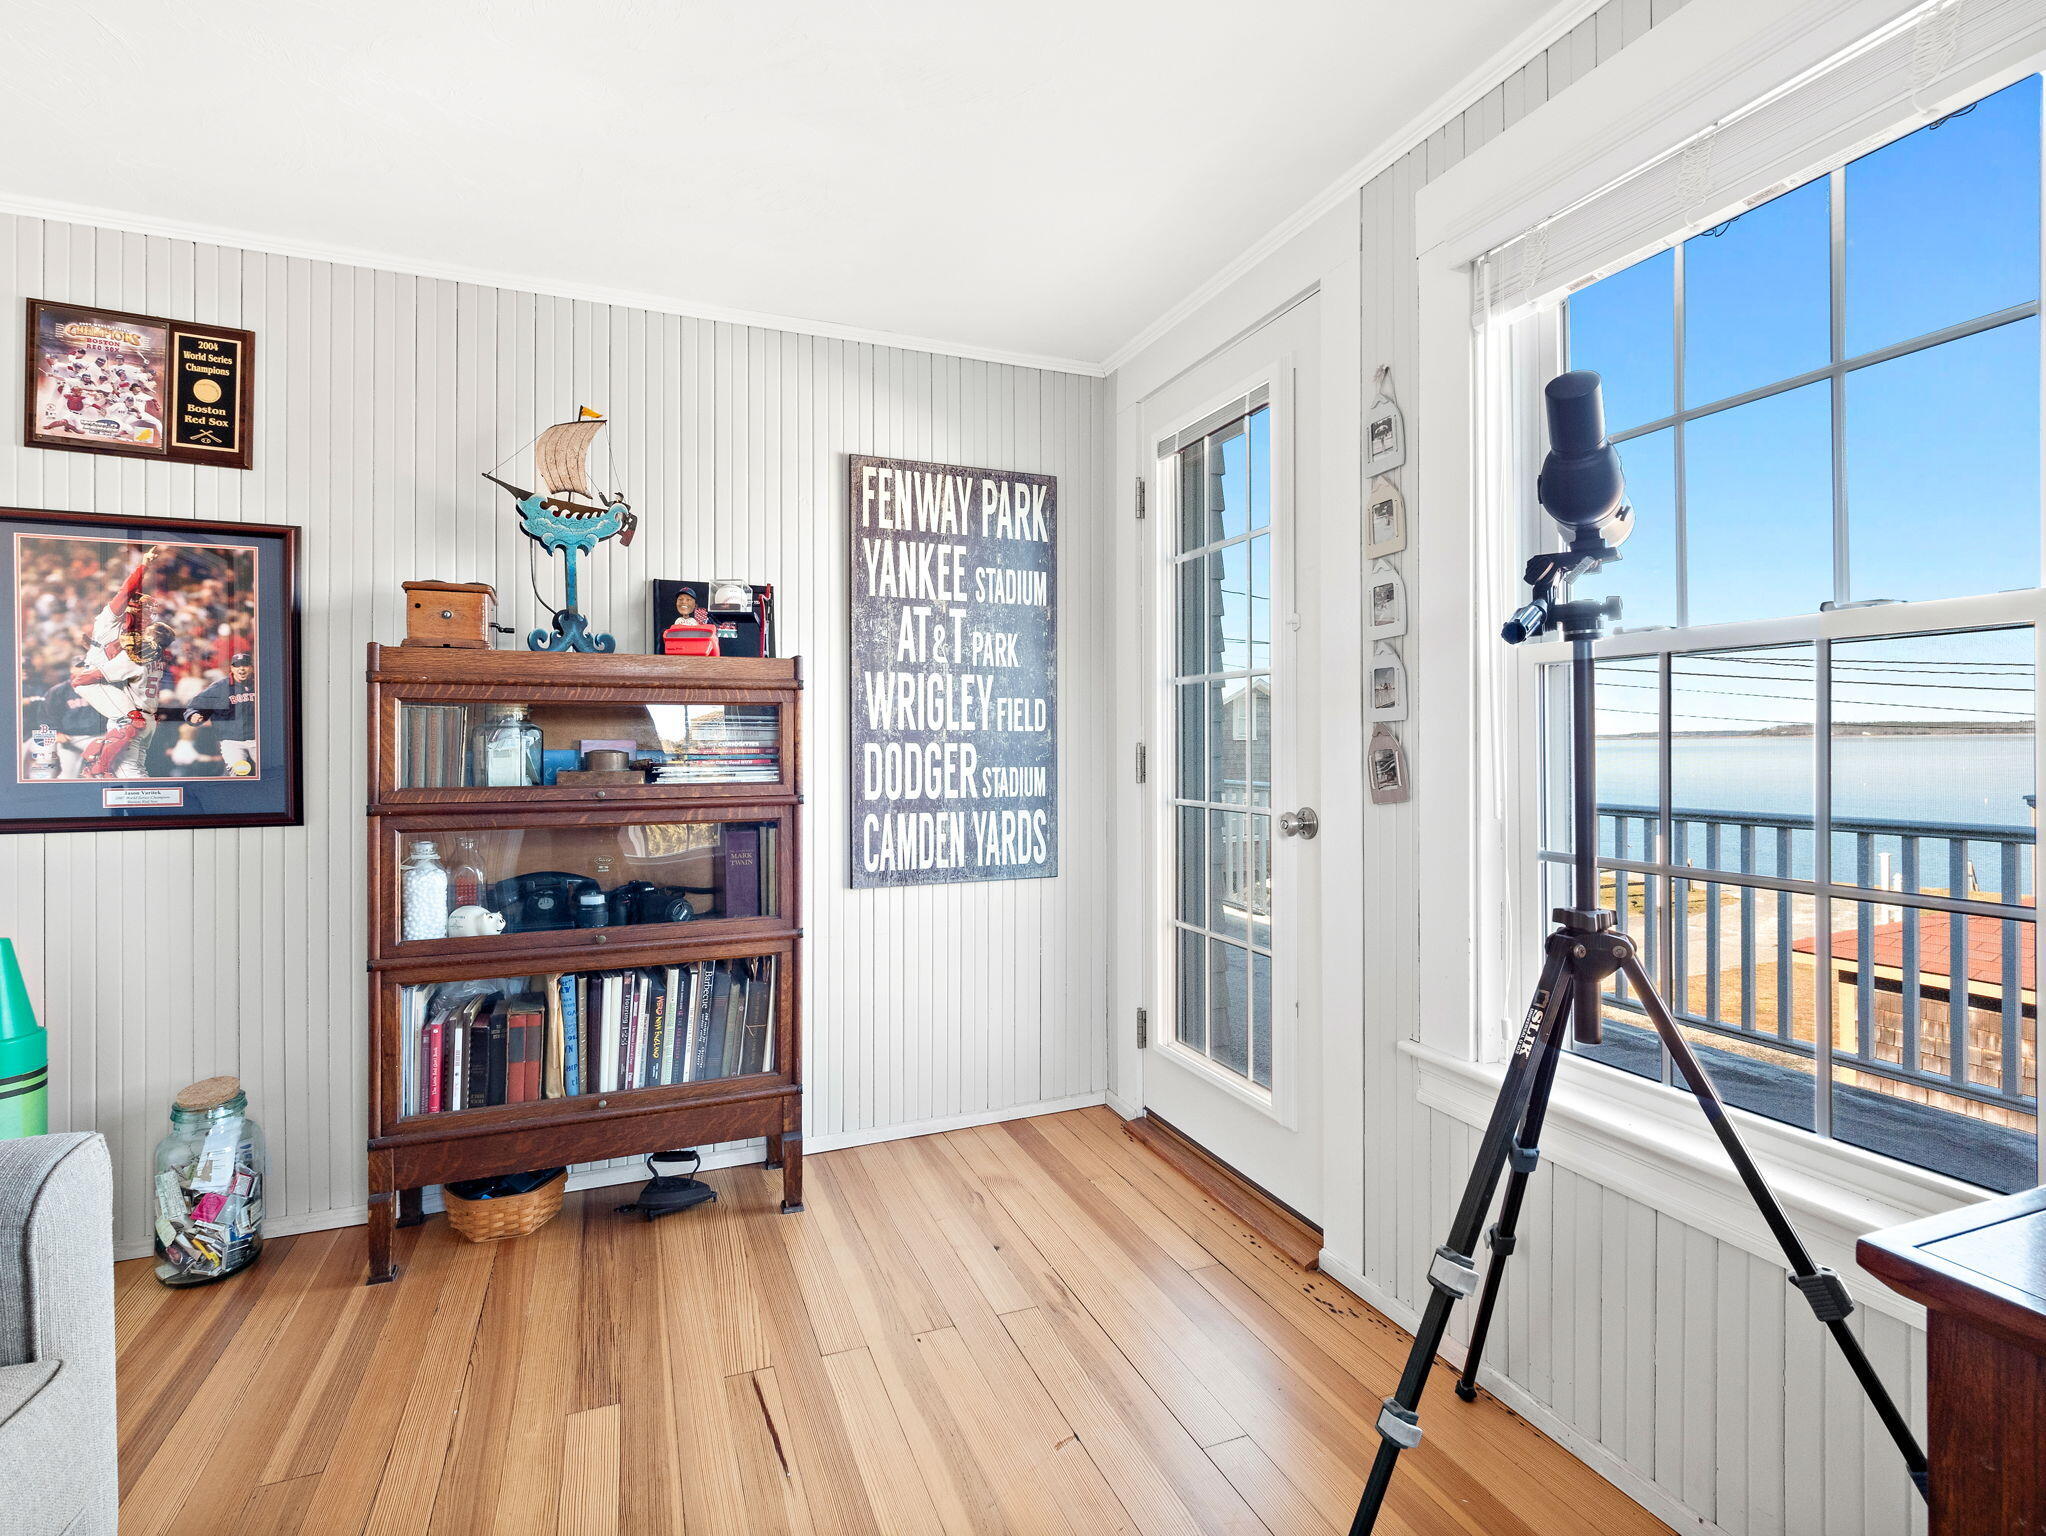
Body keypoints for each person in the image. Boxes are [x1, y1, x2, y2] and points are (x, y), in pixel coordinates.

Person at [70, 546, 171, 779]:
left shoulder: (137, 635)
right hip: (93, 679)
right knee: (130, 720)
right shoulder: (111, 617)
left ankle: (96, 753)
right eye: (146, 609)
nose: (149, 615)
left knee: (130, 724)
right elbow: (126, 590)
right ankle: (96, 767)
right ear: (132, 607)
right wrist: (144, 566)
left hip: (106, 680)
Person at [183, 650, 257, 776]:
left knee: (269, 773)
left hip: (259, 740)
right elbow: (194, 707)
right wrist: (193, 715)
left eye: (245, 665)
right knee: (240, 773)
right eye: (237, 666)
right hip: (232, 742)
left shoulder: (261, 684)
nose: (241, 669)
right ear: (232, 668)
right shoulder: (219, 688)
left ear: (252, 667)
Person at [661, 587, 720, 657]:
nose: (683, 602)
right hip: (678, 651)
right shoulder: (676, 623)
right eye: (680, 599)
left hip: (697, 650)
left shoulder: (697, 623)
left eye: (688, 600)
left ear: (695, 605)